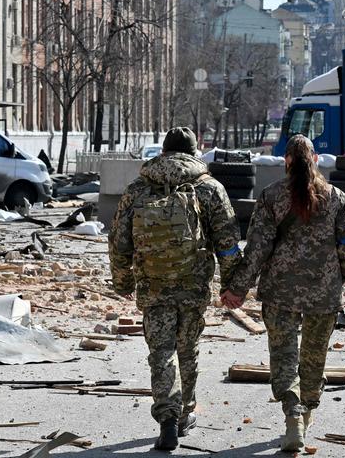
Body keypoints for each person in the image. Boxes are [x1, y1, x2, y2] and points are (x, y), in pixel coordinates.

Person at [221, 135, 345, 452]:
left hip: (280, 293)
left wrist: (237, 290)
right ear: (316, 160)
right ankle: (304, 418)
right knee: (313, 360)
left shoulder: (271, 197)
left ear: (286, 162)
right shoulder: (337, 198)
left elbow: (256, 249)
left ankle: (293, 416)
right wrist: (343, 276)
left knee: (284, 359)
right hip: (323, 295)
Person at [109, 127, 241, 450]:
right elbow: (227, 244)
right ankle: (184, 415)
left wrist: (123, 281)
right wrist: (232, 286)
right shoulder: (209, 188)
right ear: (195, 153)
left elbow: (119, 242)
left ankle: (167, 418)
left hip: (153, 286)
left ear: (164, 153)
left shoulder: (138, 189)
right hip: (193, 286)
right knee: (187, 349)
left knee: (161, 352)